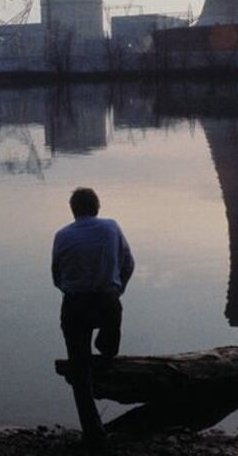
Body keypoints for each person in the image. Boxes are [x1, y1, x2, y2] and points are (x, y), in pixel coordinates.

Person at [51, 186, 134, 449]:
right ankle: (105, 349)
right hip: (107, 303)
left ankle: (93, 431)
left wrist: (72, 288)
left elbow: (56, 276)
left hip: (75, 305)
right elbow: (128, 263)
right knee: (109, 346)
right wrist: (117, 289)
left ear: (73, 210)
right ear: (97, 207)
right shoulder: (111, 227)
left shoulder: (62, 235)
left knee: (79, 370)